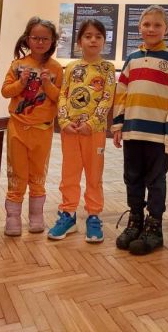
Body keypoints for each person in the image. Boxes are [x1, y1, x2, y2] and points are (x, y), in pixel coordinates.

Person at [112, 5, 168, 255]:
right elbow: (121, 94)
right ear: (139, 27)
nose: (151, 29)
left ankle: (154, 227)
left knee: (155, 180)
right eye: (146, 24)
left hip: (158, 135)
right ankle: (135, 220)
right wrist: (118, 124)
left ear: (166, 29)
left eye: (157, 25)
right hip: (133, 131)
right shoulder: (132, 58)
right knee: (132, 177)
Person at [48, 19, 116, 243]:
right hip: (70, 131)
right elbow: (63, 95)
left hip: (94, 132)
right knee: (69, 173)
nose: (93, 40)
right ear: (79, 42)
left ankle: (94, 216)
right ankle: (68, 214)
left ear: (104, 41)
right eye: (88, 36)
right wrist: (64, 121)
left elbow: (107, 99)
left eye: (98, 36)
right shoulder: (71, 68)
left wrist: (92, 123)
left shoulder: (107, 69)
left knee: (94, 174)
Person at [1, 17, 62, 236]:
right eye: (36, 38)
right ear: (28, 39)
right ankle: (13, 217)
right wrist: (22, 83)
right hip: (17, 128)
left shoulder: (56, 68)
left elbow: (60, 98)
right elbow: (5, 91)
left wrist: (47, 84)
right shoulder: (17, 65)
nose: (40, 42)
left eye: (45, 39)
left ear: (52, 41)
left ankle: (36, 215)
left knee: (38, 173)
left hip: (43, 130)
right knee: (17, 172)